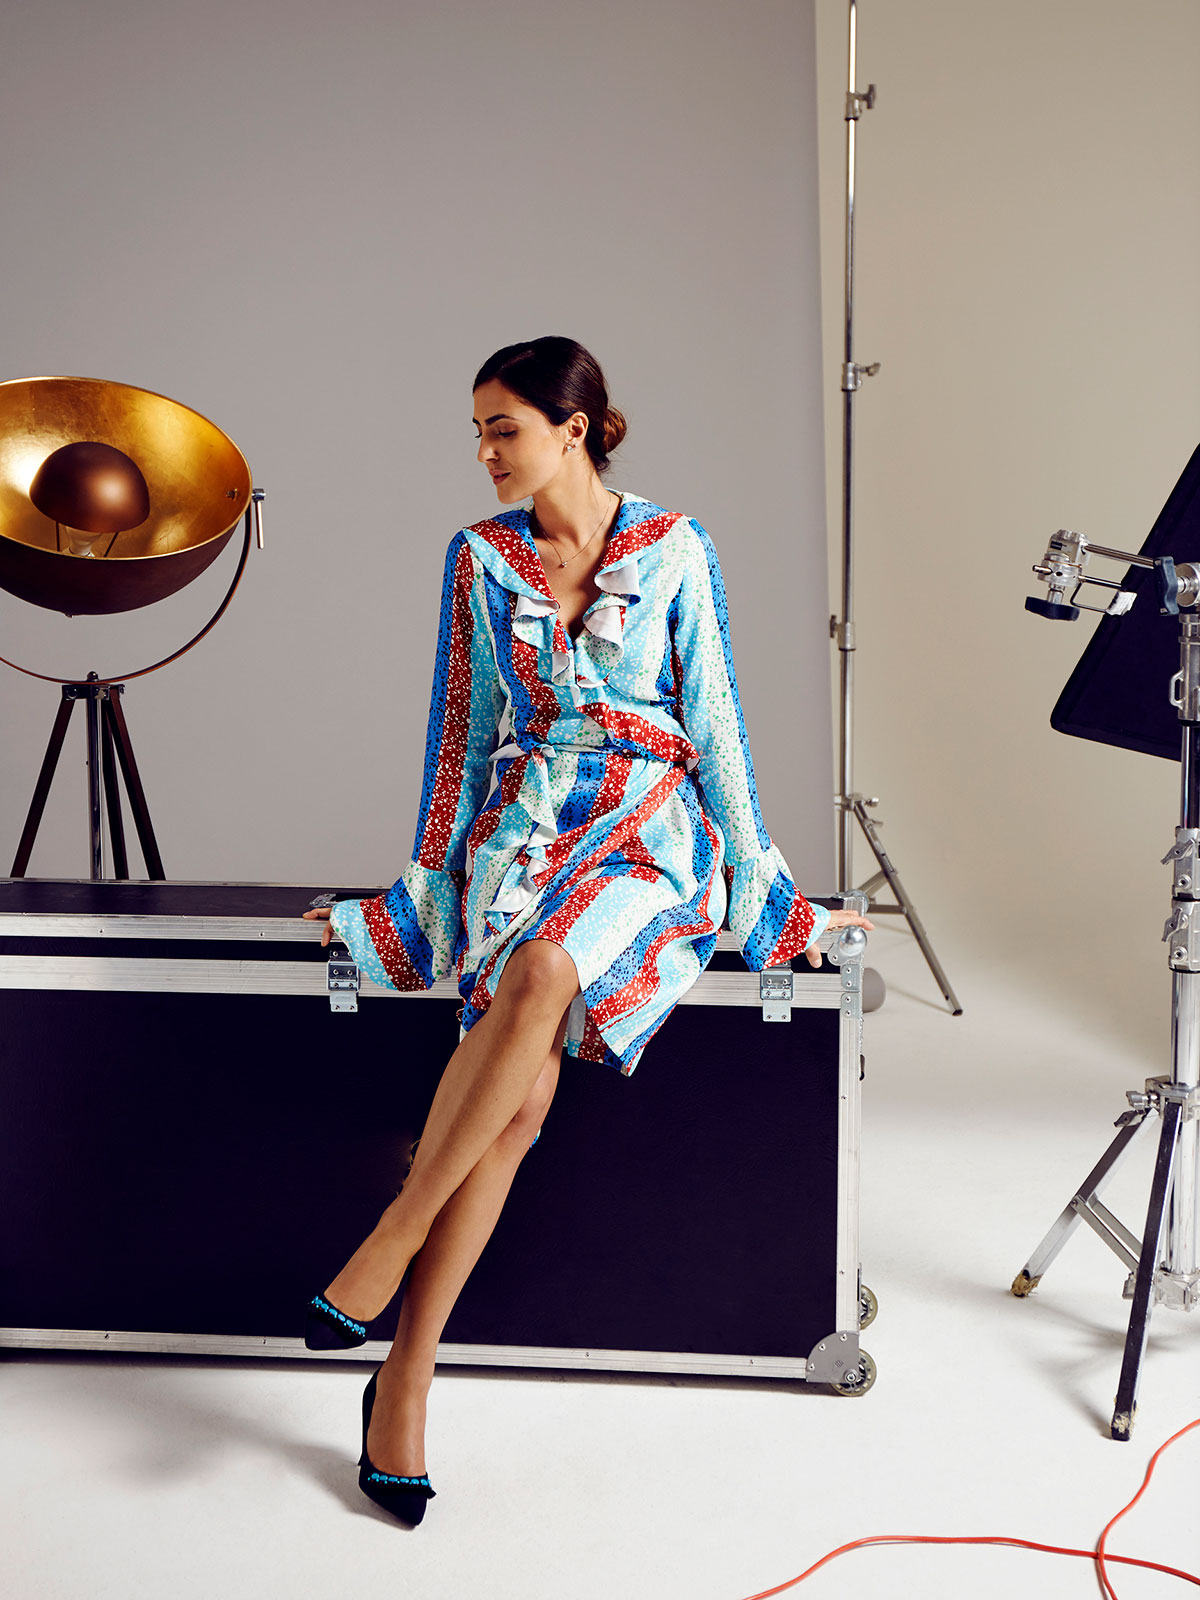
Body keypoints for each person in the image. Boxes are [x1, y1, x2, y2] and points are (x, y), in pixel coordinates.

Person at [301, 335, 874, 1524]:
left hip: (652, 837)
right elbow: (458, 739)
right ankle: (403, 1381)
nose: (484, 451)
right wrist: (418, 897)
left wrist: (773, 897)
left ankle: (392, 1238)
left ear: (574, 427)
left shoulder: (676, 546)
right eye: (477, 431)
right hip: (526, 836)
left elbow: (717, 723)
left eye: (502, 428)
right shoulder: (478, 559)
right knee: (515, 1109)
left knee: (549, 967)